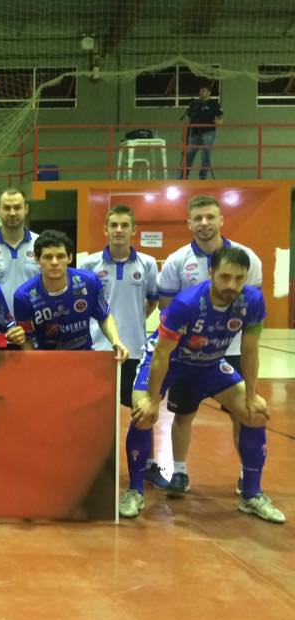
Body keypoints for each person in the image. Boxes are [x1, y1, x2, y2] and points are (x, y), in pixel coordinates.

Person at [122, 247, 284, 523]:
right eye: (225, 277)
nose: (231, 285)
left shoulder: (252, 301)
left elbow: (250, 350)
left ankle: (251, 495)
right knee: (143, 414)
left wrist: (252, 395)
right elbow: (161, 354)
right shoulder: (187, 304)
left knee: (255, 413)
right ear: (211, 273)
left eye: (239, 278)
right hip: (170, 360)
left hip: (209, 363)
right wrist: (152, 399)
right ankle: (135, 491)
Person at [155, 195, 263, 497]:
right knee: (183, 414)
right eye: (198, 218)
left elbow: (252, 305)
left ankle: (246, 475)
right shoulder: (177, 261)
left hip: (231, 349)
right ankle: (179, 472)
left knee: (244, 413)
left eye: (210, 217)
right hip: (188, 354)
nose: (205, 223)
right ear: (189, 223)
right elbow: (166, 309)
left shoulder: (248, 258)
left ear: (221, 220)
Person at [78, 205, 159, 409]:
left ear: (134, 230)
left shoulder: (148, 263)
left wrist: (136, 319)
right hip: (99, 349)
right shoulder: (88, 264)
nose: (119, 230)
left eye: (124, 225)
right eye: (114, 225)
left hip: (134, 349)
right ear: (105, 229)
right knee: (96, 409)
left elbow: (152, 301)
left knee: (135, 408)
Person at [12, 230, 129, 360]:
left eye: (60, 256)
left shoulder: (89, 282)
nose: (54, 262)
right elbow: (26, 340)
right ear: (37, 259)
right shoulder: (23, 296)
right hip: (46, 361)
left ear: (70, 258)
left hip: (83, 358)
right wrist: (34, 365)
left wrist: (115, 340)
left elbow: (104, 317)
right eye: (48, 257)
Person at [0, 188, 41, 314]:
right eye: (7, 208)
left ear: (26, 209)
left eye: (17, 207)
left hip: (33, 323)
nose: (12, 213)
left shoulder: (41, 245)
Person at [180, 86, 223, 180]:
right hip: (195, 133)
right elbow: (190, 117)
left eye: (203, 91)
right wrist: (186, 133)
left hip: (208, 132)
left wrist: (217, 121)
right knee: (189, 153)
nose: (201, 92)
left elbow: (220, 119)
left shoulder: (214, 104)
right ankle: (184, 175)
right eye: (200, 91)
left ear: (209, 92)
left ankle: (203, 176)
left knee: (205, 155)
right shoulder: (195, 103)